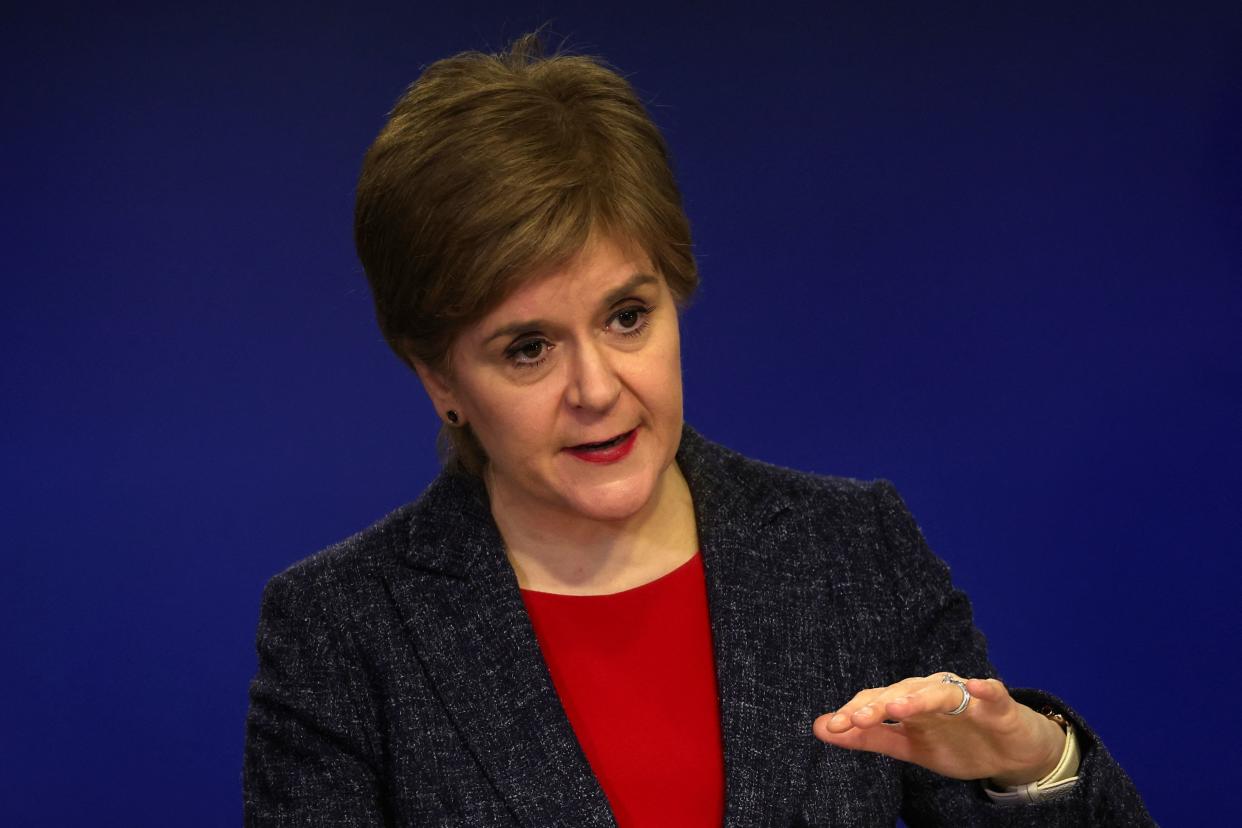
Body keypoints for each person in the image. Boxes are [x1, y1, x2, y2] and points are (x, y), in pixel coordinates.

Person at [243, 34, 1153, 826]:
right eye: (528, 348)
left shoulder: (851, 551)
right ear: (439, 377)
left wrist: (1035, 767)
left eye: (628, 315)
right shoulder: (341, 631)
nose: (597, 388)